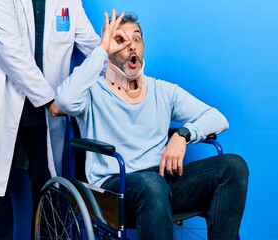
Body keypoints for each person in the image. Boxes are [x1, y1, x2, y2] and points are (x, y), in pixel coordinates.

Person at [56, 10, 249, 240]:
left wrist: (183, 135)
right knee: (151, 183)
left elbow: (217, 118)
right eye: (120, 40)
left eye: (136, 39)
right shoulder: (92, 92)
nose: (131, 46)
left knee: (234, 166)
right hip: (115, 189)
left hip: (160, 182)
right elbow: (65, 101)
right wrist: (101, 51)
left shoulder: (162, 91)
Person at [0, 0, 100, 239]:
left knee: (47, 185)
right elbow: (10, 50)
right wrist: (48, 99)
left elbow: (91, 45)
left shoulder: (70, 2)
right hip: (4, 102)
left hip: (43, 112)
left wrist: (123, 67)